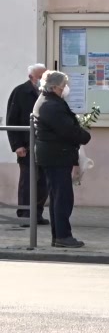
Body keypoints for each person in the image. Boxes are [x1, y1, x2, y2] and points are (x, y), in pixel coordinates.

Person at [33, 70, 91, 247]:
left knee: (58, 197)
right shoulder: (51, 105)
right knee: (62, 198)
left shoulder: (48, 101)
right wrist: (84, 135)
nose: (66, 88)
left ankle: (59, 236)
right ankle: (63, 236)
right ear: (55, 87)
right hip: (56, 156)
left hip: (54, 155)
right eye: (63, 85)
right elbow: (68, 130)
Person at [6, 63, 49, 226]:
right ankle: (24, 214)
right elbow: (12, 120)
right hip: (26, 144)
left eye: (45, 76)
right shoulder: (20, 92)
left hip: (44, 144)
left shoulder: (47, 92)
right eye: (40, 77)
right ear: (31, 77)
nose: (43, 80)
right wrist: (16, 145)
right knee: (28, 181)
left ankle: (37, 213)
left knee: (43, 182)